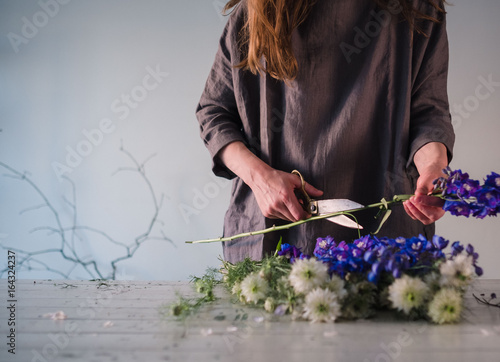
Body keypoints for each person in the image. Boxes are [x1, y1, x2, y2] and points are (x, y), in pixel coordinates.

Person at [196, 0, 455, 263]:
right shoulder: (258, 9)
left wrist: (434, 167)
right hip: (273, 240)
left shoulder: (419, 9)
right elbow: (214, 112)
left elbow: (429, 114)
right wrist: (261, 179)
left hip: (388, 243)